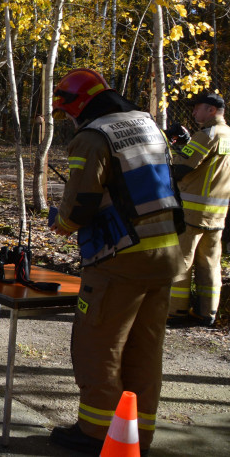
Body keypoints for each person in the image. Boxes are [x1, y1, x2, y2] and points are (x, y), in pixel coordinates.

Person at [47, 68, 182, 455]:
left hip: (120, 258)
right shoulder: (147, 124)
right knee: (145, 348)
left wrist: (62, 221)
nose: (70, 120)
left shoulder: (92, 138)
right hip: (166, 254)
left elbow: (81, 204)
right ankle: (136, 435)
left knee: (99, 344)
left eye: (68, 112)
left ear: (79, 104)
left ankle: (94, 434)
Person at [166, 91, 230, 327]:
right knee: (210, 263)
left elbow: (182, 169)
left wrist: (170, 149)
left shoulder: (207, 135)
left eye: (197, 108)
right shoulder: (227, 135)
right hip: (217, 213)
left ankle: (176, 311)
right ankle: (207, 313)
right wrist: (186, 143)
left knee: (181, 261)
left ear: (211, 110)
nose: (193, 112)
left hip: (193, 212)